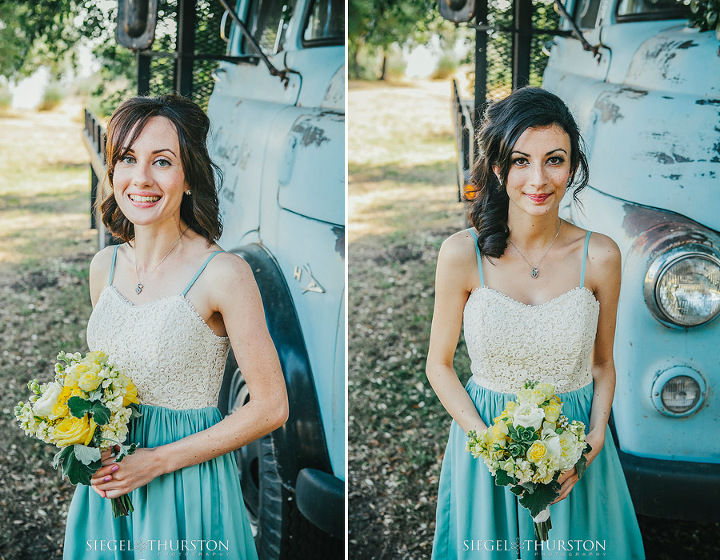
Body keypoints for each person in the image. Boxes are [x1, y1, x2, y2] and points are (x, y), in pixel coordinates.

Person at [62, 94, 289, 559]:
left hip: (187, 487)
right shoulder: (103, 266)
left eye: (162, 162)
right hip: (111, 483)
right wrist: (82, 435)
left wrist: (157, 461)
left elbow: (271, 407)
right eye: (127, 159)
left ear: (189, 178)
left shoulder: (223, 273)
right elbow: (104, 382)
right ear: (112, 171)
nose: (140, 178)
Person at [426, 87, 645, 559]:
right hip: (486, 446)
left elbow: (603, 365)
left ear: (573, 167)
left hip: (572, 455)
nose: (539, 179)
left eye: (555, 159)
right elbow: (438, 366)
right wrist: (489, 445)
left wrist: (594, 438)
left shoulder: (601, 256)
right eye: (521, 160)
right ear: (499, 168)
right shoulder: (461, 255)